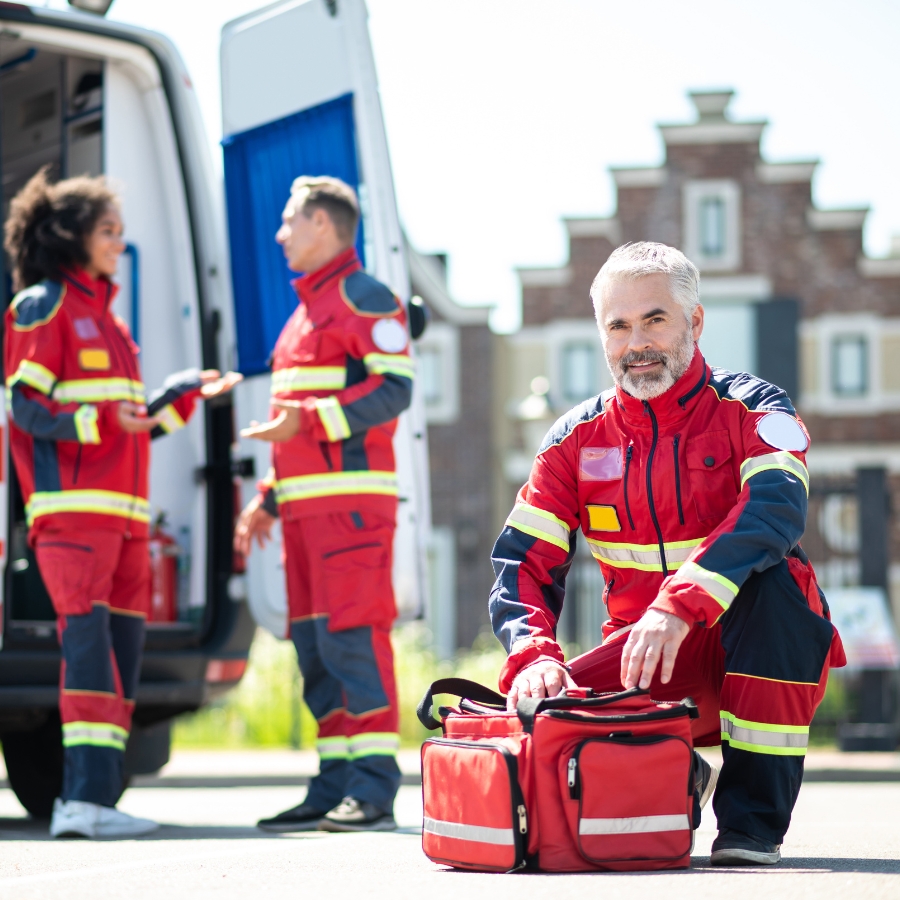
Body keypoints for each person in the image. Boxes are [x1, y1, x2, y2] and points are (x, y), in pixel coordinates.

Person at [489, 242, 845, 866]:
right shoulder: (573, 441)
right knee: (537, 705)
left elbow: (775, 509)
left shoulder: (755, 409)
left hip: (751, 646)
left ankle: (750, 825)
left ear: (695, 322)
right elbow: (523, 560)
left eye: (654, 319)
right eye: (618, 326)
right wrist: (532, 657)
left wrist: (679, 604)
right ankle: (671, 774)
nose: (636, 343)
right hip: (645, 660)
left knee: (777, 587)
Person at [3, 168, 241, 838]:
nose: (118, 243)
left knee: (121, 659)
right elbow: (26, 408)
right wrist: (105, 423)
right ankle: (79, 802)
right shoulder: (41, 308)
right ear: (70, 235)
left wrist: (184, 395)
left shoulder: (109, 324)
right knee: (90, 657)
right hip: (73, 514)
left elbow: (136, 426)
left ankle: (98, 801)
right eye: (109, 231)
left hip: (125, 519)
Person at [235, 176, 414, 833]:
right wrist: (266, 501)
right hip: (306, 515)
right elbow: (293, 435)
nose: (280, 234)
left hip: (352, 512)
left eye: (290, 221)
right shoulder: (301, 316)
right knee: (315, 650)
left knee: (353, 641)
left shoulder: (366, 297)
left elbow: (394, 390)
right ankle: (334, 783)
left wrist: (308, 419)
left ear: (322, 224)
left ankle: (372, 788)